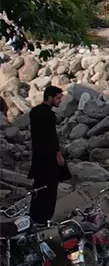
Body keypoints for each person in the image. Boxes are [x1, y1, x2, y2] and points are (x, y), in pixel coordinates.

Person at [28, 86, 68, 224]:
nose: (60, 101)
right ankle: (45, 219)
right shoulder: (49, 115)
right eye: (58, 98)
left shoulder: (34, 112)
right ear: (49, 98)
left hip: (38, 156)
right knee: (50, 190)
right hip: (49, 157)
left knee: (38, 187)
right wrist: (58, 154)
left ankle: (33, 216)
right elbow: (51, 136)